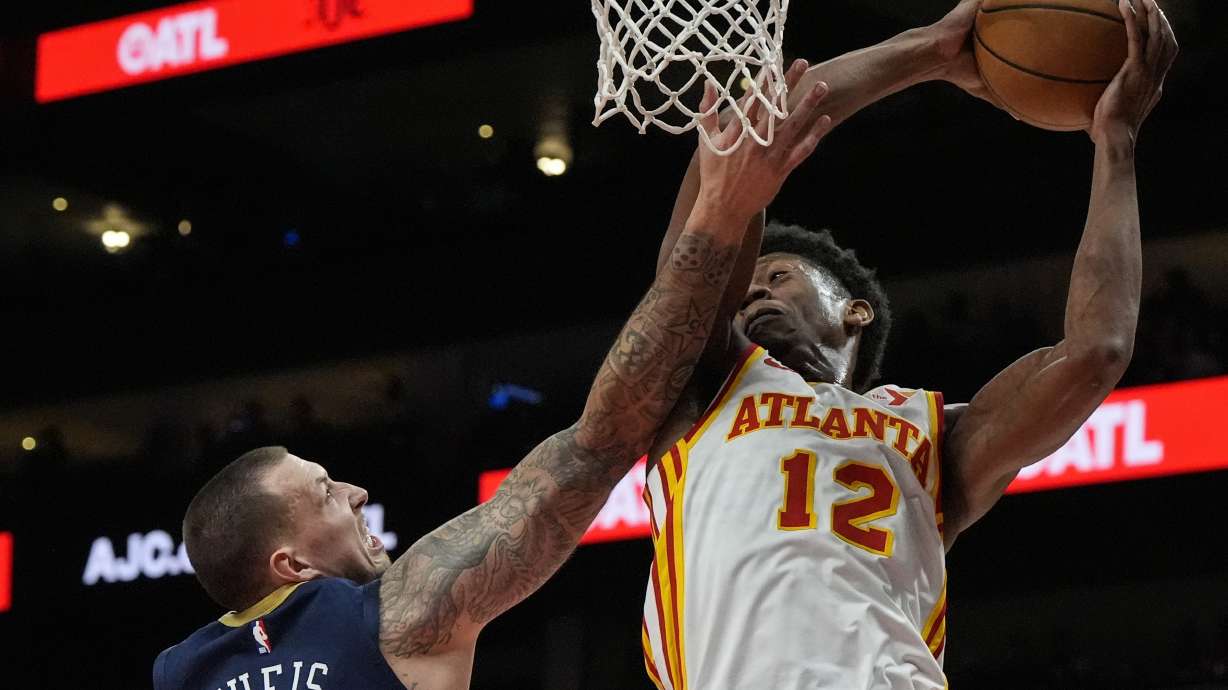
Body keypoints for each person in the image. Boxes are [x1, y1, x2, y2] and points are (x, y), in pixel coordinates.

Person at [152, 77, 839, 690]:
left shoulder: (179, 670)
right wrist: (722, 210)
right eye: (326, 492)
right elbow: (600, 442)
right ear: (291, 564)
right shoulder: (395, 614)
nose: (358, 491)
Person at [639, 1, 1178, 688]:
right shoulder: (704, 388)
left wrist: (1116, 145)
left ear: (854, 312)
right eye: (748, 284)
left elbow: (1097, 350)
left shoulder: (928, 440)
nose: (752, 293)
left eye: (778, 276)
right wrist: (927, 50)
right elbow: (738, 149)